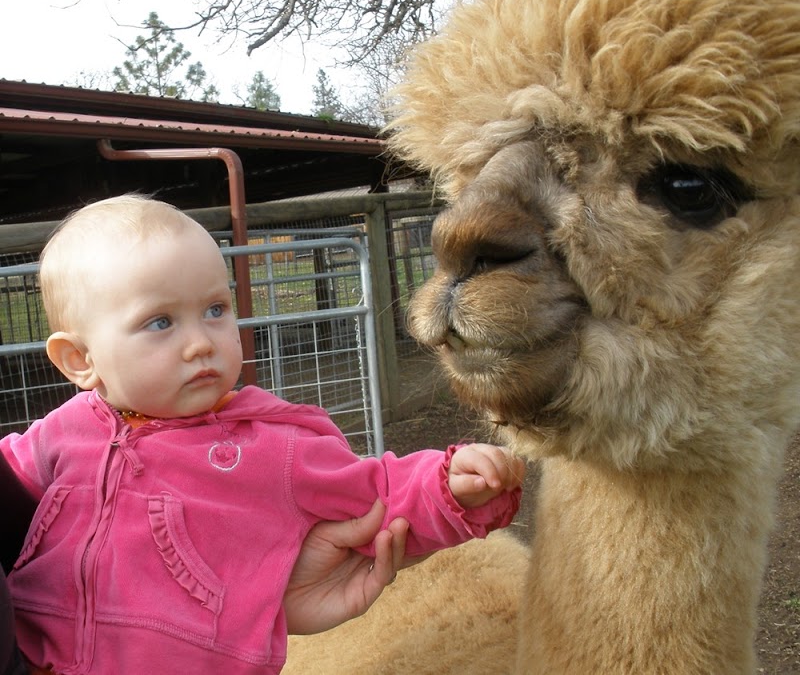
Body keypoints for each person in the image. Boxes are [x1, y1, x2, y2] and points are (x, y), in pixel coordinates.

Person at [0, 195, 524, 675]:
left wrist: (447, 485)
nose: (201, 344)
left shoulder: (271, 443)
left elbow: (377, 494)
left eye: (214, 310)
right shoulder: (62, 433)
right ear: (80, 360)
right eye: (161, 323)